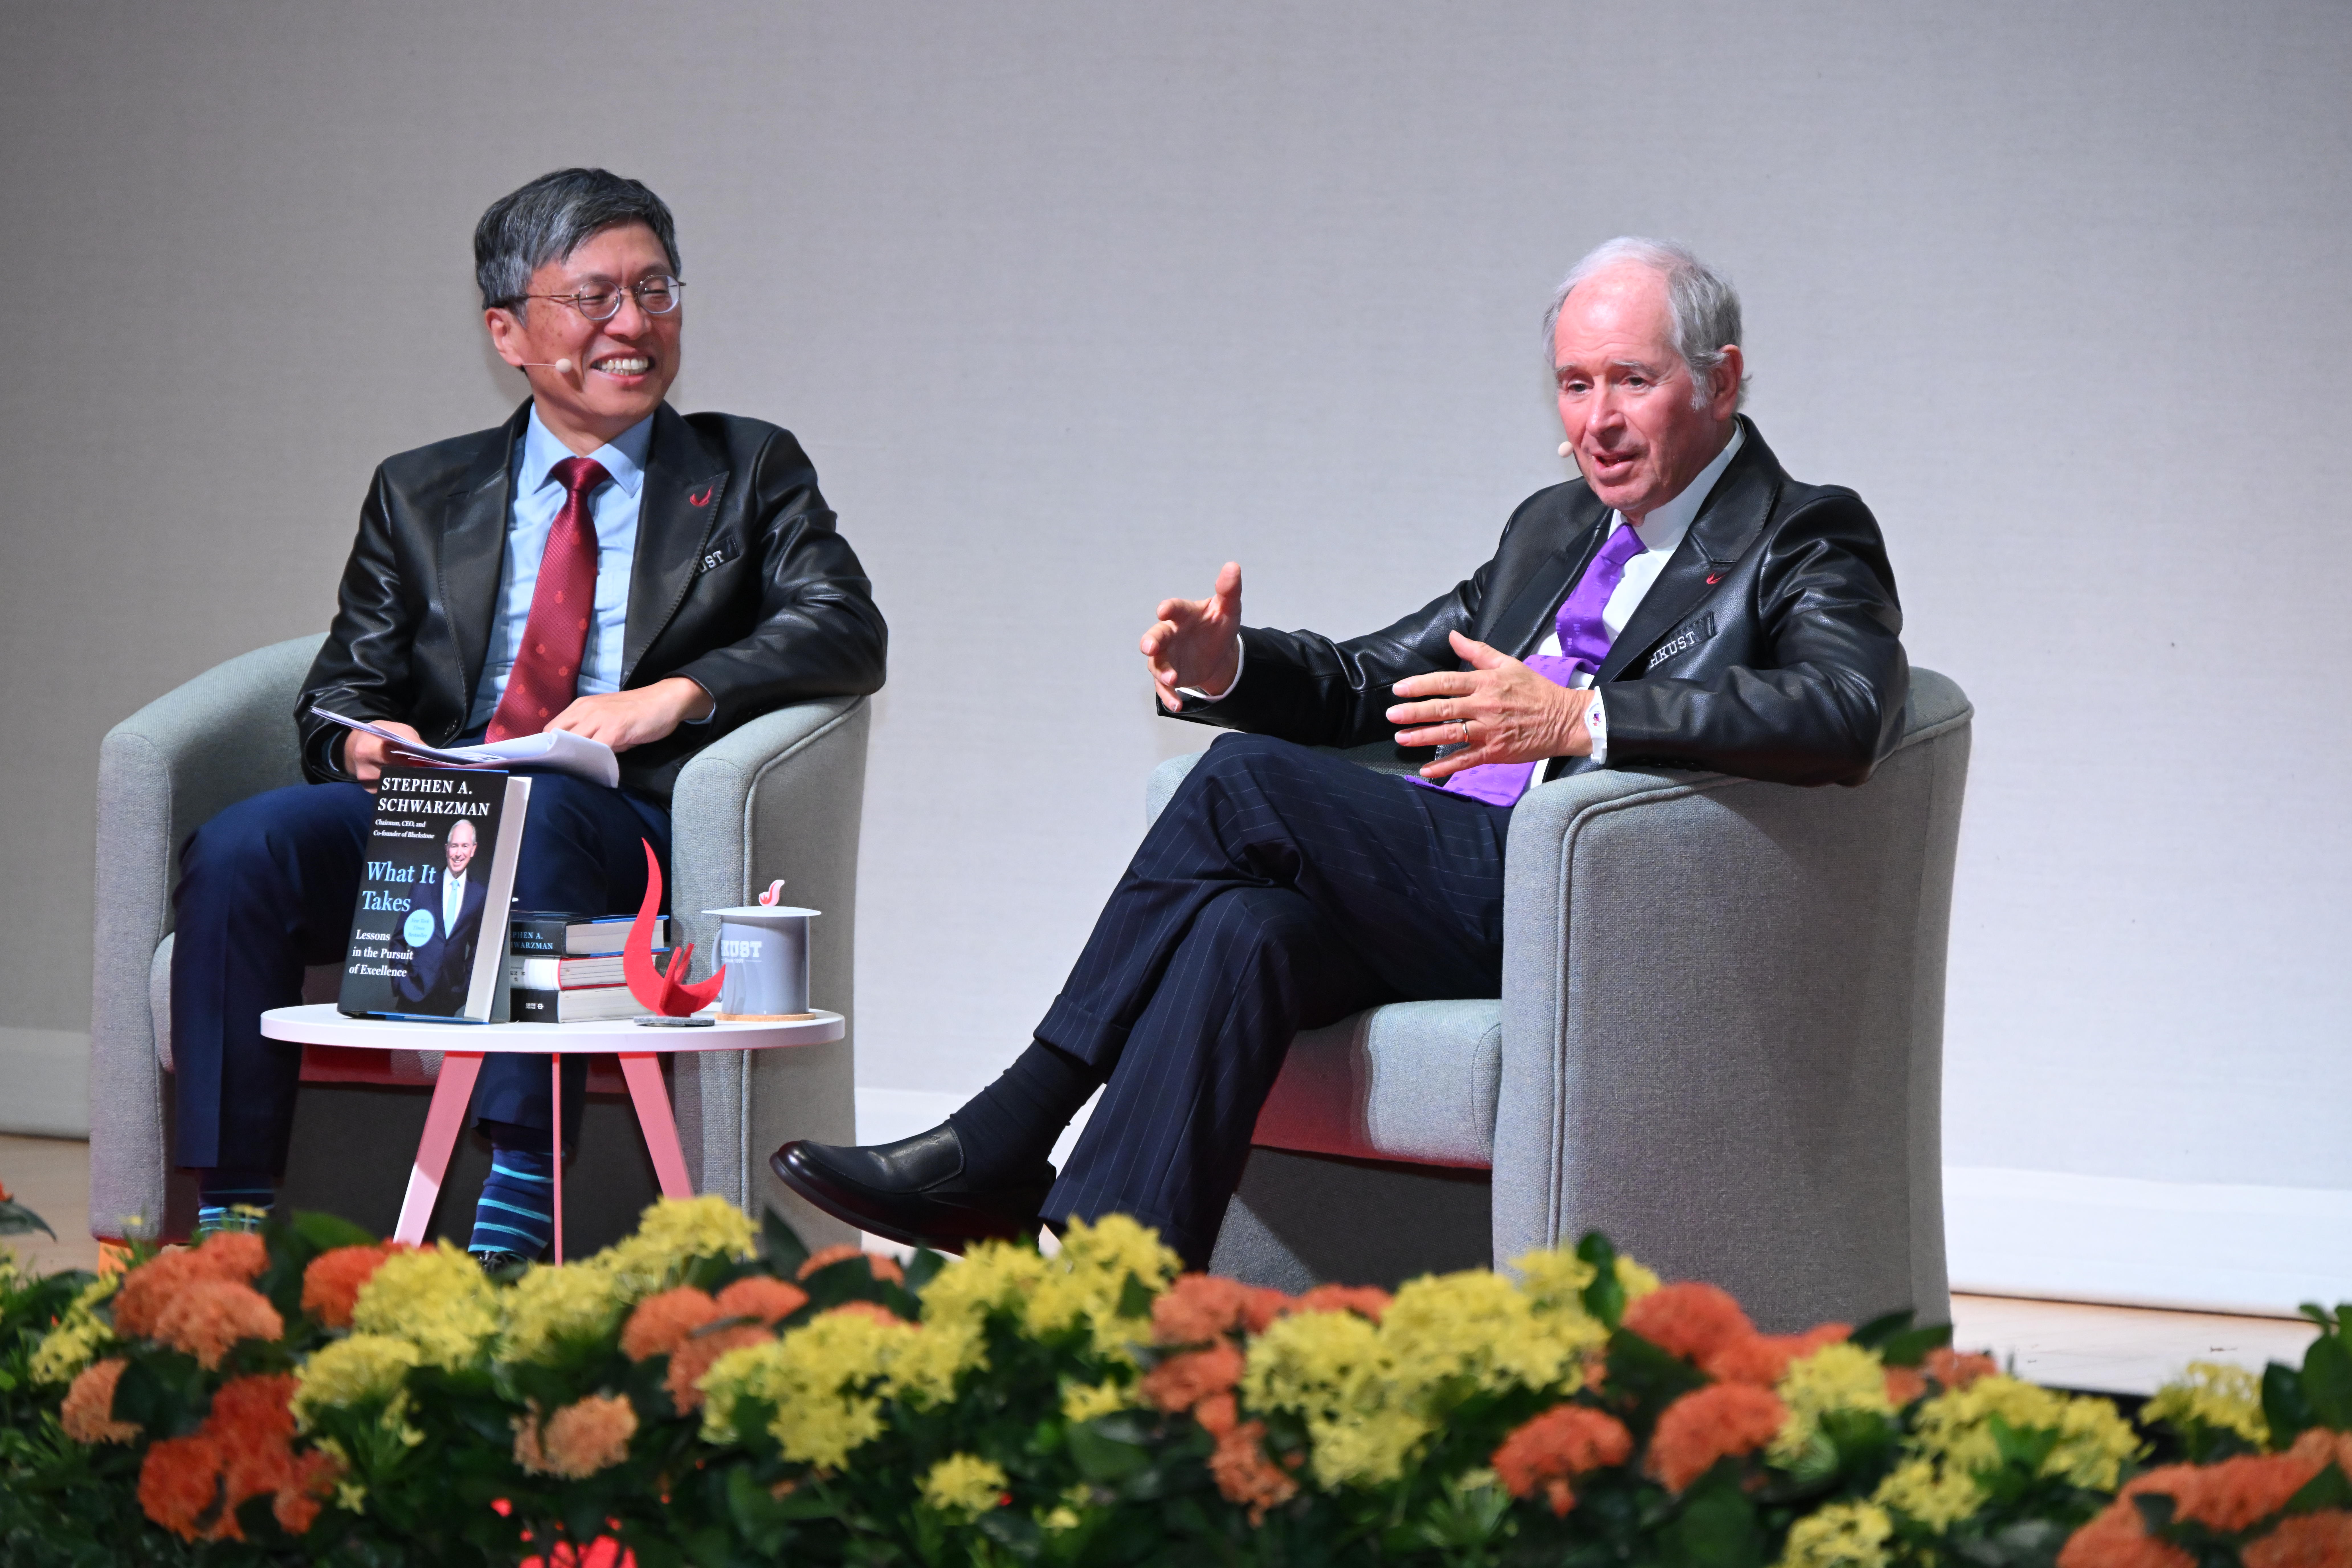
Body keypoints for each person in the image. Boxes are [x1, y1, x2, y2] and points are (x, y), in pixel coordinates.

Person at [773, 236, 1906, 1269]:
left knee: (1242, 781)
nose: (1598, 420)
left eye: (1632, 380)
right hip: (1457, 880)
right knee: (1243, 924)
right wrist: (1230, 667)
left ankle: (1011, 1126)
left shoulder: (1801, 530)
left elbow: (1848, 706)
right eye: (1575, 384)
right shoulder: (1554, 527)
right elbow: (1377, 681)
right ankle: (1103, 1292)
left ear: (1720, 376)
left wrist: (1585, 719)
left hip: (1597, 901)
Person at [171, 168, 887, 1259]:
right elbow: (343, 684)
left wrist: (670, 698)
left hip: (617, 825)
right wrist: (363, 740)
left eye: (656, 289)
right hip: (442, 808)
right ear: (507, 331)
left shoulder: (746, 471)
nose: (634, 324)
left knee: (540, 809)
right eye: (594, 297)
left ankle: (519, 1194)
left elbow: (845, 627)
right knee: (242, 848)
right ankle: (230, 1210)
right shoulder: (422, 492)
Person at [391, 818, 488, 1015]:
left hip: (450, 997)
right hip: (414, 992)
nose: (459, 853)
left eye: (465, 846)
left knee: (440, 1048)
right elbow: (398, 940)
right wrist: (401, 980)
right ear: (447, 849)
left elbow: (479, 946)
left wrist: (465, 986)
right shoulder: (422, 887)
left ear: (474, 849)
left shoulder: (480, 894)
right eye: (454, 846)